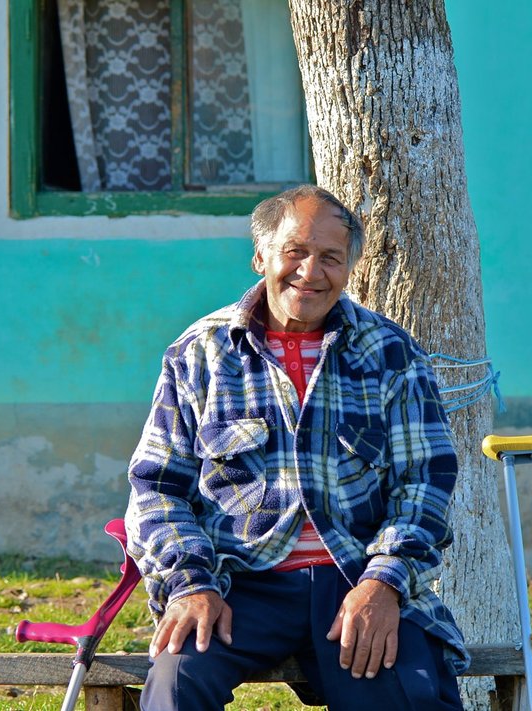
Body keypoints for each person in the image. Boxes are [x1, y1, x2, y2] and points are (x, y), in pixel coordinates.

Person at [124, 185, 467, 710]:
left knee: (406, 697)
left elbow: (426, 481)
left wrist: (385, 583)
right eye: (295, 253)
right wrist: (191, 583)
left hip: (353, 578)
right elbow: (157, 488)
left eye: (330, 258)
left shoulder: (390, 352)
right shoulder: (201, 353)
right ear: (261, 256)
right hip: (238, 583)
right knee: (176, 684)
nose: (310, 272)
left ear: (349, 269)